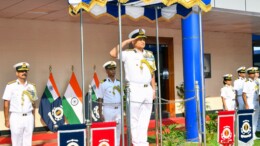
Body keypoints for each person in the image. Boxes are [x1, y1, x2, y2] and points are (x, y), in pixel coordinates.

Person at [110, 28, 156, 146]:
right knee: (134, 118)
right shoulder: (128, 54)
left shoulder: (149, 54)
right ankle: (136, 142)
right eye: (139, 39)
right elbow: (113, 53)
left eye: (143, 39)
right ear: (133, 41)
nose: (142, 41)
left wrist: (154, 89)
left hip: (147, 89)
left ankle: (143, 142)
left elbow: (152, 73)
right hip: (135, 88)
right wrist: (126, 41)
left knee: (145, 117)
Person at [2, 62, 38, 146]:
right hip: (16, 117)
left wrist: (33, 119)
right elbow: (6, 104)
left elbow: (34, 104)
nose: (24, 73)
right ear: (17, 73)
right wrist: (6, 119)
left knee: (28, 141)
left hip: (29, 117)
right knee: (16, 141)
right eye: (21, 71)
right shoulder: (10, 86)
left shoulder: (32, 87)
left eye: (25, 71)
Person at [98, 61, 122, 146]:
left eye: (114, 69)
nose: (113, 71)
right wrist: (100, 113)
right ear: (106, 71)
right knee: (108, 129)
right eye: (111, 69)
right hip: (108, 110)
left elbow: (123, 98)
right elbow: (100, 99)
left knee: (118, 130)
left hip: (118, 109)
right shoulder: (103, 83)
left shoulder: (119, 83)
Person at [242, 67, 260, 139]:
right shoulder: (247, 83)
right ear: (249, 74)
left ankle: (254, 134)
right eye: (252, 73)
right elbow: (244, 94)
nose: (254, 74)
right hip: (250, 102)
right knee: (250, 118)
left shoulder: (256, 82)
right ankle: (248, 134)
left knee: (256, 118)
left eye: (254, 73)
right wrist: (246, 104)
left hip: (256, 101)